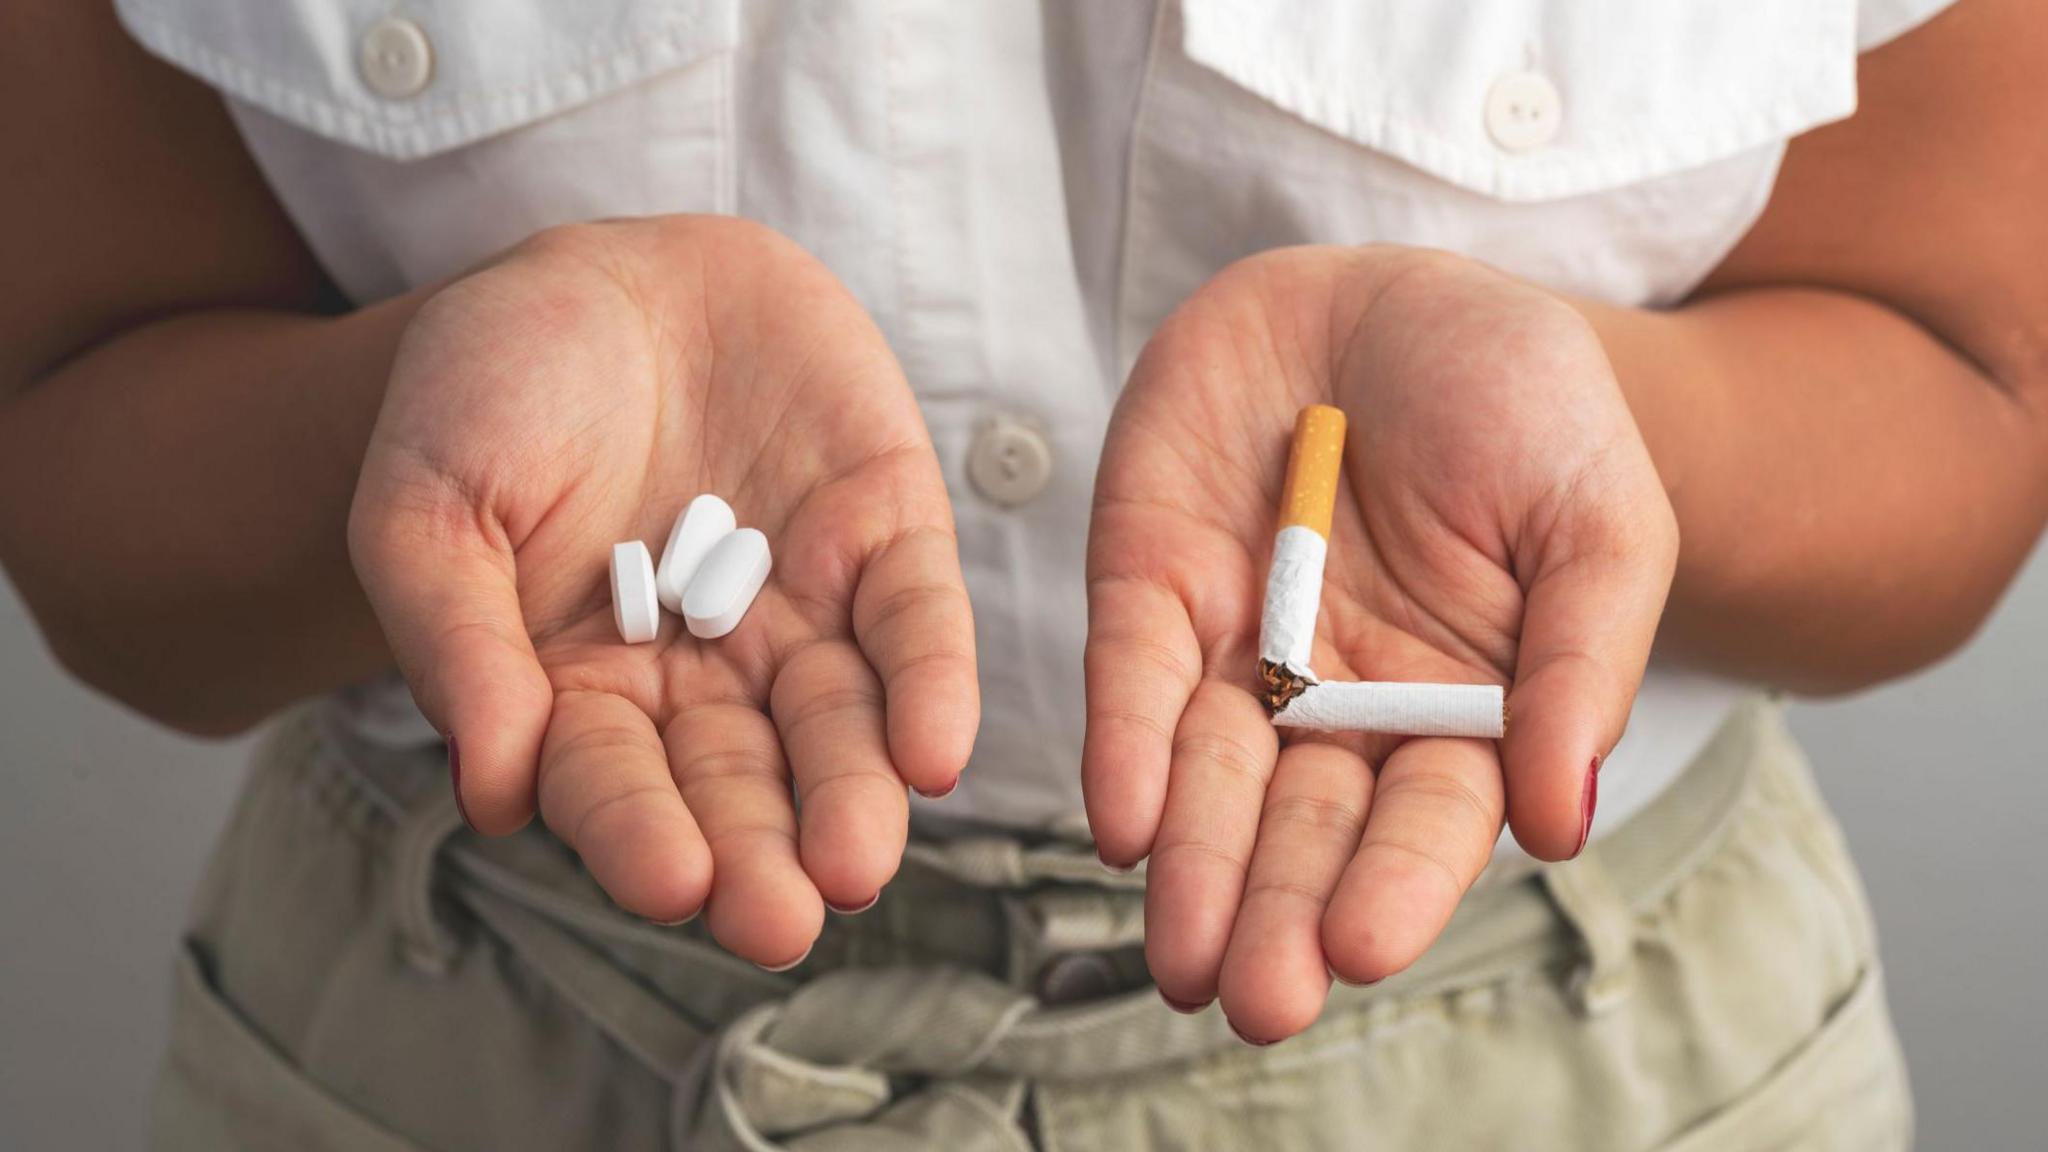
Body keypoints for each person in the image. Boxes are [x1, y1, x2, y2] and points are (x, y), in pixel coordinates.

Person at [3, 1, 2042, 1148]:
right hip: (471, 1032)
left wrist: (1592, 440)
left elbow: (1970, 399)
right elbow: (86, 485)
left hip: (1564, 1055)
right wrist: (406, 422)